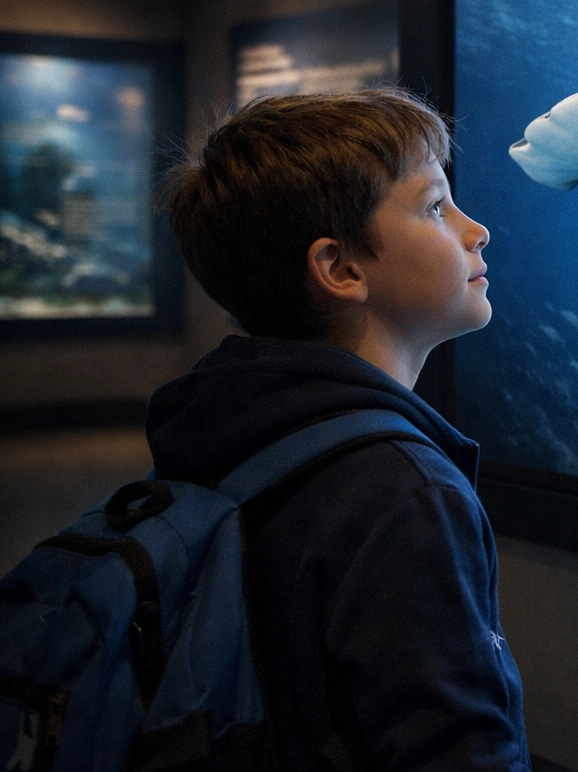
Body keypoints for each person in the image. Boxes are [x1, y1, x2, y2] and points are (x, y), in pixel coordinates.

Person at [151, 88, 529, 770]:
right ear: (341, 269)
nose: (477, 230)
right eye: (434, 207)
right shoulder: (405, 493)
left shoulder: (216, 428)